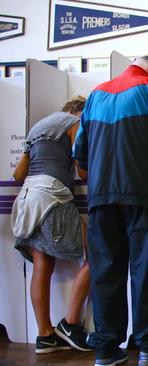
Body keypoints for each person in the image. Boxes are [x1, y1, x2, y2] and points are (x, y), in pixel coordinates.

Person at [73, 56, 148, 366]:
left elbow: (80, 155)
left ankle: (106, 350)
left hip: (101, 199)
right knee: (146, 272)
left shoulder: (96, 95)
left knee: (105, 274)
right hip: (144, 195)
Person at [11, 96, 93, 355]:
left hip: (28, 199)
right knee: (96, 255)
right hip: (53, 198)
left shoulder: (37, 128)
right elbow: (83, 171)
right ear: (81, 113)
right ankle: (70, 324)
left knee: (42, 266)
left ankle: (45, 336)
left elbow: (18, 174)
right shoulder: (74, 124)